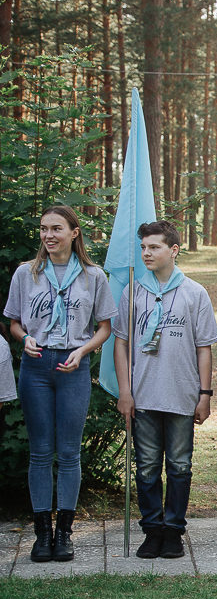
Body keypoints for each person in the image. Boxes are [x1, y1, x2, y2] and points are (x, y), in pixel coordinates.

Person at [6, 206, 117, 562]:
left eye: (56, 228)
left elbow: (104, 326)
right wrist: (24, 339)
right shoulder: (26, 273)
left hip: (74, 367)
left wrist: (82, 351)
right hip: (36, 368)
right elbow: (13, 323)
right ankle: (42, 534)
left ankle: (65, 534)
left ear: (74, 233)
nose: (48, 235)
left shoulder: (93, 276)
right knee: (40, 452)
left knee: (69, 453)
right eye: (43, 229)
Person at [113, 221, 217, 559]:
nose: (146, 253)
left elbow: (204, 346)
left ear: (173, 250)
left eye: (154, 247)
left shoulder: (194, 293)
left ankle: (173, 529)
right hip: (142, 394)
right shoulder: (133, 291)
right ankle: (151, 528)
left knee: (179, 465)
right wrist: (124, 392)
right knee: (145, 465)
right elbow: (121, 344)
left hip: (181, 394)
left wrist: (205, 393)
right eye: (143, 247)